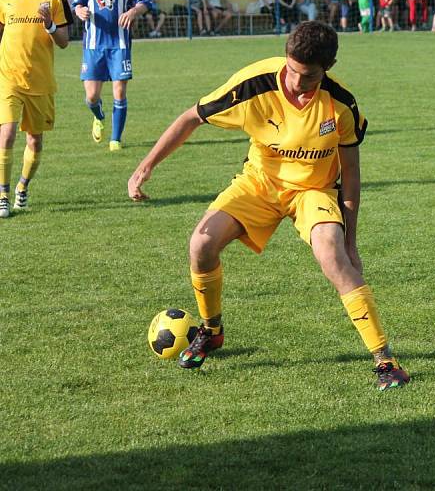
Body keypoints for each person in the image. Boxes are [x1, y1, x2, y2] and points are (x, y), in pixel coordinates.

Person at [127, 21, 410, 390]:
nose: (295, 82)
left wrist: (351, 242)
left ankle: (385, 359)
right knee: (201, 244)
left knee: (333, 256)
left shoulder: (341, 106)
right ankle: (212, 330)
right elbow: (191, 117)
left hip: (313, 190)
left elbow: (351, 176)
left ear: (329, 67)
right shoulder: (253, 84)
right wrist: (144, 167)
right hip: (259, 183)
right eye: (291, 70)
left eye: (307, 77)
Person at [0, 0, 71, 217]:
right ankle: (3, 194)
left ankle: (22, 187)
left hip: (40, 82)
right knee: (5, 136)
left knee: (35, 141)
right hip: (9, 78)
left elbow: (64, 41)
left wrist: (50, 24)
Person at [73, 0, 152, 152]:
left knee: (119, 91)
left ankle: (115, 139)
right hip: (93, 45)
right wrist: (79, 10)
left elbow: (146, 1)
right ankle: (99, 116)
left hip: (120, 44)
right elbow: (76, 3)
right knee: (91, 96)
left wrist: (134, 11)